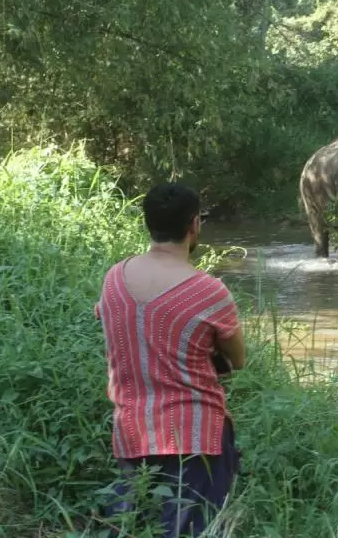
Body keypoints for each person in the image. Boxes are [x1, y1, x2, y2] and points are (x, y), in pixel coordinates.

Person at [94, 182, 247, 537]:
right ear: (195, 225)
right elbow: (237, 359)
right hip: (197, 437)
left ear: (148, 223)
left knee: (131, 528)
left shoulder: (114, 278)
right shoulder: (209, 291)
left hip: (132, 431)